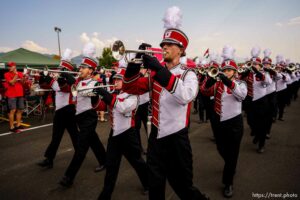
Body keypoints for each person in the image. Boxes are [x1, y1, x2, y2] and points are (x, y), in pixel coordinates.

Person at [122, 7, 209, 199]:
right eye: (163, 43)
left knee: (184, 189)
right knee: (155, 188)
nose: (165, 47)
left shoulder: (189, 74)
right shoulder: (155, 74)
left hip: (177, 141)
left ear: (181, 49)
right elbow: (130, 88)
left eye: (170, 44)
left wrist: (158, 70)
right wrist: (133, 64)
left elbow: (186, 96)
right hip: (156, 140)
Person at [201, 45, 247, 198]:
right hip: (219, 122)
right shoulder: (217, 83)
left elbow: (241, 96)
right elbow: (204, 91)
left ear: (234, 72)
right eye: (224, 70)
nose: (227, 72)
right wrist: (210, 80)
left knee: (232, 154)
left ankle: (228, 183)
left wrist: (228, 81)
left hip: (234, 124)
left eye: (229, 70)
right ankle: (230, 165)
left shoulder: (240, 84)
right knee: (221, 149)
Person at [97, 68, 148, 200]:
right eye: (115, 79)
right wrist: (96, 97)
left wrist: (106, 96)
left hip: (128, 135)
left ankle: (149, 184)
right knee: (111, 166)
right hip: (114, 134)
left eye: (119, 79)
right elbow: (101, 107)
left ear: (127, 81)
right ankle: (105, 195)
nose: (116, 81)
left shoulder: (134, 95)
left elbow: (122, 108)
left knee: (137, 162)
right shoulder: (115, 93)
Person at [59, 43, 106, 187]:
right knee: (94, 141)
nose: (80, 69)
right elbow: (72, 89)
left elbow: (88, 94)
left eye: (83, 67)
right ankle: (105, 160)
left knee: (81, 148)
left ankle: (68, 177)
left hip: (89, 117)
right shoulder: (80, 81)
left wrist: (70, 78)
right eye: (80, 67)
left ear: (91, 70)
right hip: (79, 116)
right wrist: (62, 77)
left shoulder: (94, 83)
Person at [37, 49, 79, 169]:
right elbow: (44, 86)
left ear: (66, 69)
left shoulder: (70, 80)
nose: (59, 70)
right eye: (59, 68)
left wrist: (51, 80)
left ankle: (79, 153)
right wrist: (43, 77)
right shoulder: (59, 79)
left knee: (74, 135)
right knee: (56, 137)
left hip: (68, 110)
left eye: (61, 69)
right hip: (60, 111)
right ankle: (49, 159)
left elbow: (63, 88)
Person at [240, 47, 272, 153]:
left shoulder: (264, 73)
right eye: (252, 64)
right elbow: (239, 79)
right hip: (250, 100)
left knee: (262, 124)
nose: (253, 66)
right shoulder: (247, 73)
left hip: (261, 101)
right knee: (251, 121)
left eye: (255, 64)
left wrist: (257, 72)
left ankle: (261, 144)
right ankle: (257, 134)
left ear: (260, 65)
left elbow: (268, 82)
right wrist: (245, 72)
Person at [4, 61, 25, 133]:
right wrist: (16, 75)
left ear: (14, 66)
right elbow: (12, 83)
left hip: (20, 94)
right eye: (8, 66)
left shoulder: (20, 73)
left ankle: (18, 125)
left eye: (10, 66)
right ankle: (12, 127)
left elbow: (23, 83)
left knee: (20, 110)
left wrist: (24, 78)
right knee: (12, 110)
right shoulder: (6, 74)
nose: (9, 67)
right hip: (11, 94)